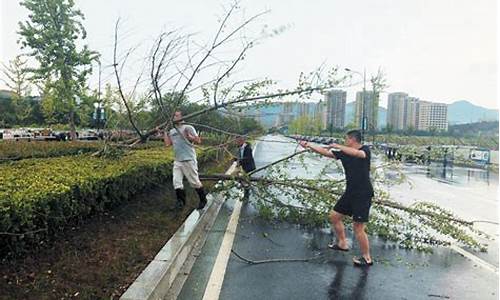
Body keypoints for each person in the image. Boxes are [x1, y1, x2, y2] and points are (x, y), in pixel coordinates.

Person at [299, 130, 374, 267]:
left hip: (363, 194)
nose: (345, 141)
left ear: (352, 139)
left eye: (346, 139)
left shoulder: (365, 150)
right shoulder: (345, 153)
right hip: (350, 192)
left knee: (358, 227)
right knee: (335, 216)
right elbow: (325, 152)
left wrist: (338, 146)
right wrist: (309, 145)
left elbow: (359, 154)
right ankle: (342, 243)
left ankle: (367, 258)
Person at [160, 111, 207, 210]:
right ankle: (181, 202)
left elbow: (198, 141)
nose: (174, 118)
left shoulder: (188, 127)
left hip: (188, 159)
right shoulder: (172, 131)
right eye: (173, 116)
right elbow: (168, 144)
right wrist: (165, 132)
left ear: (182, 117)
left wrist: (189, 137)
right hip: (178, 160)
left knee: (194, 182)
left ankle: (203, 200)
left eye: (176, 116)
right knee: (176, 182)